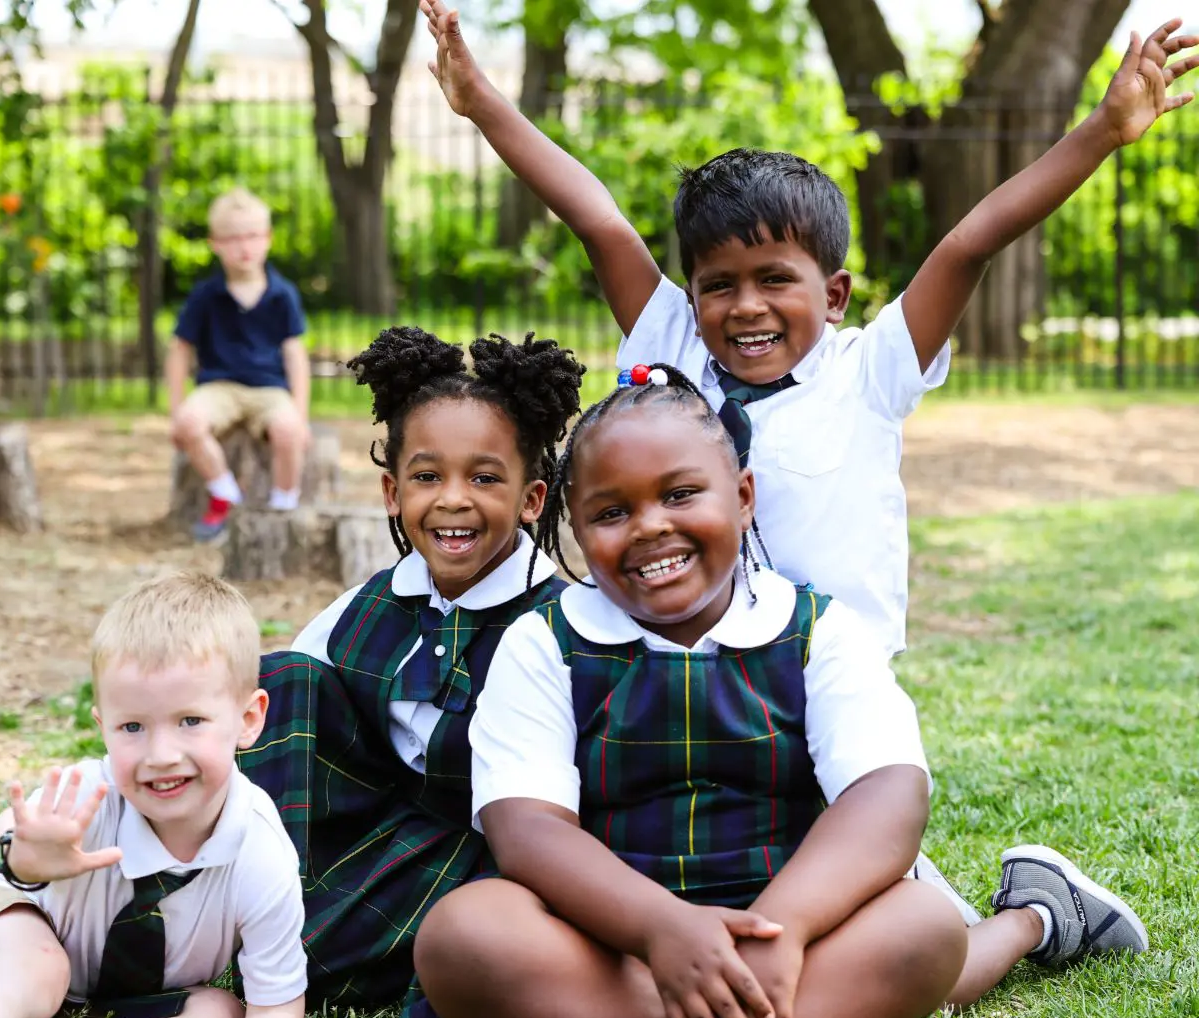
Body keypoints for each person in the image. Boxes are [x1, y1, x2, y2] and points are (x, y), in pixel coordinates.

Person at [420, 2, 1191, 937]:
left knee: (868, 947)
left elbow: (970, 240)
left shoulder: (869, 369)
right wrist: (479, 101)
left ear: (832, 294)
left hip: (822, 703)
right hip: (689, 687)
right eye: (718, 285)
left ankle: (1032, 916)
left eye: (774, 279)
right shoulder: (671, 350)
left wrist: (1104, 133)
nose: (745, 307)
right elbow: (593, 212)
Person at [409, 370, 1150, 1018]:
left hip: (800, 934)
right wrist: (664, 931)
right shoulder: (546, 643)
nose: (650, 527)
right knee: (462, 934)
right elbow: (527, 830)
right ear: (573, 526)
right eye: (611, 512)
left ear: (743, 497)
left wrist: (784, 932)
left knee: (922, 927)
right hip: (617, 947)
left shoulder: (816, 631)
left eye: (681, 494)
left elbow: (885, 798)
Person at [238, 327, 585, 1013]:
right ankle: (251, 889)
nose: (453, 499)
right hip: (366, 823)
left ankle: (294, 947)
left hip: (479, 847)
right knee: (280, 681)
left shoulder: (562, 626)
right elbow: (279, 721)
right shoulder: (370, 604)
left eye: (485, 478)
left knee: (318, 955)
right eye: (428, 477)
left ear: (531, 499)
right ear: (393, 493)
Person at [0, 572, 307, 1018]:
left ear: (249, 719)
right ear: (103, 728)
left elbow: (275, 1008)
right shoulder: (93, 794)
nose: (160, 755)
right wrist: (27, 858)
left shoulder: (261, 850)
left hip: (115, 992)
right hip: (8, 920)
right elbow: (5, 836)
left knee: (219, 1010)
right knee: (39, 966)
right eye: (133, 727)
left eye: (190, 720)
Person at [165, 187, 313, 542]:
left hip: (269, 389)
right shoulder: (206, 295)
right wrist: (174, 410)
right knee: (189, 422)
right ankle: (225, 494)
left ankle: (283, 506)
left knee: (289, 432)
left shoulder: (282, 294)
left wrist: (301, 414)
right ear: (215, 243)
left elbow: (295, 354)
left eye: (252, 236)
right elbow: (179, 348)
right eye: (232, 239)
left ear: (268, 239)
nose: (243, 246)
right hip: (219, 387)